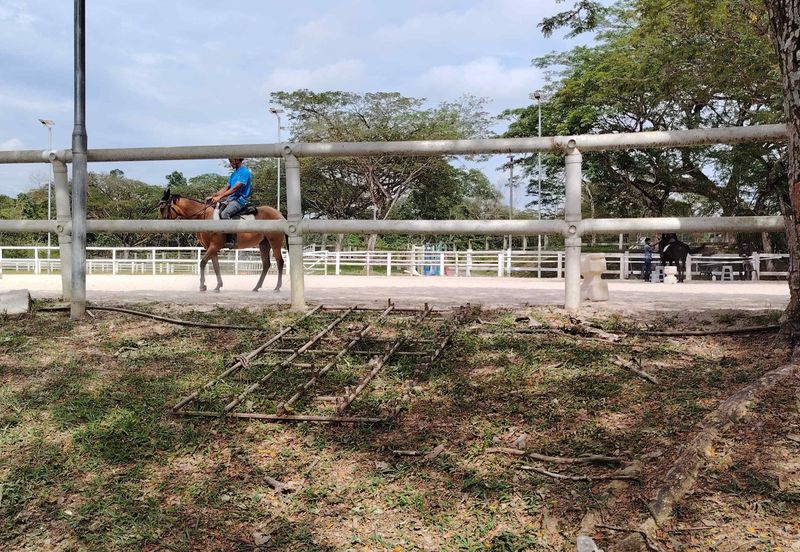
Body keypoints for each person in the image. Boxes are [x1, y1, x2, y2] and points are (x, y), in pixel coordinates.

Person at [207, 157, 252, 248]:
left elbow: (236, 187)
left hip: (239, 200)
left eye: (231, 161)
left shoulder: (244, 172)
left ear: (237, 160)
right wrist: (214, 196)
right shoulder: (233, 174)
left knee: (225, 213)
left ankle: (231, 240)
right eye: (230, 162)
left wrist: (220, 197)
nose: (230, 164)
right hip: (230, 200)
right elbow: (226, 188)